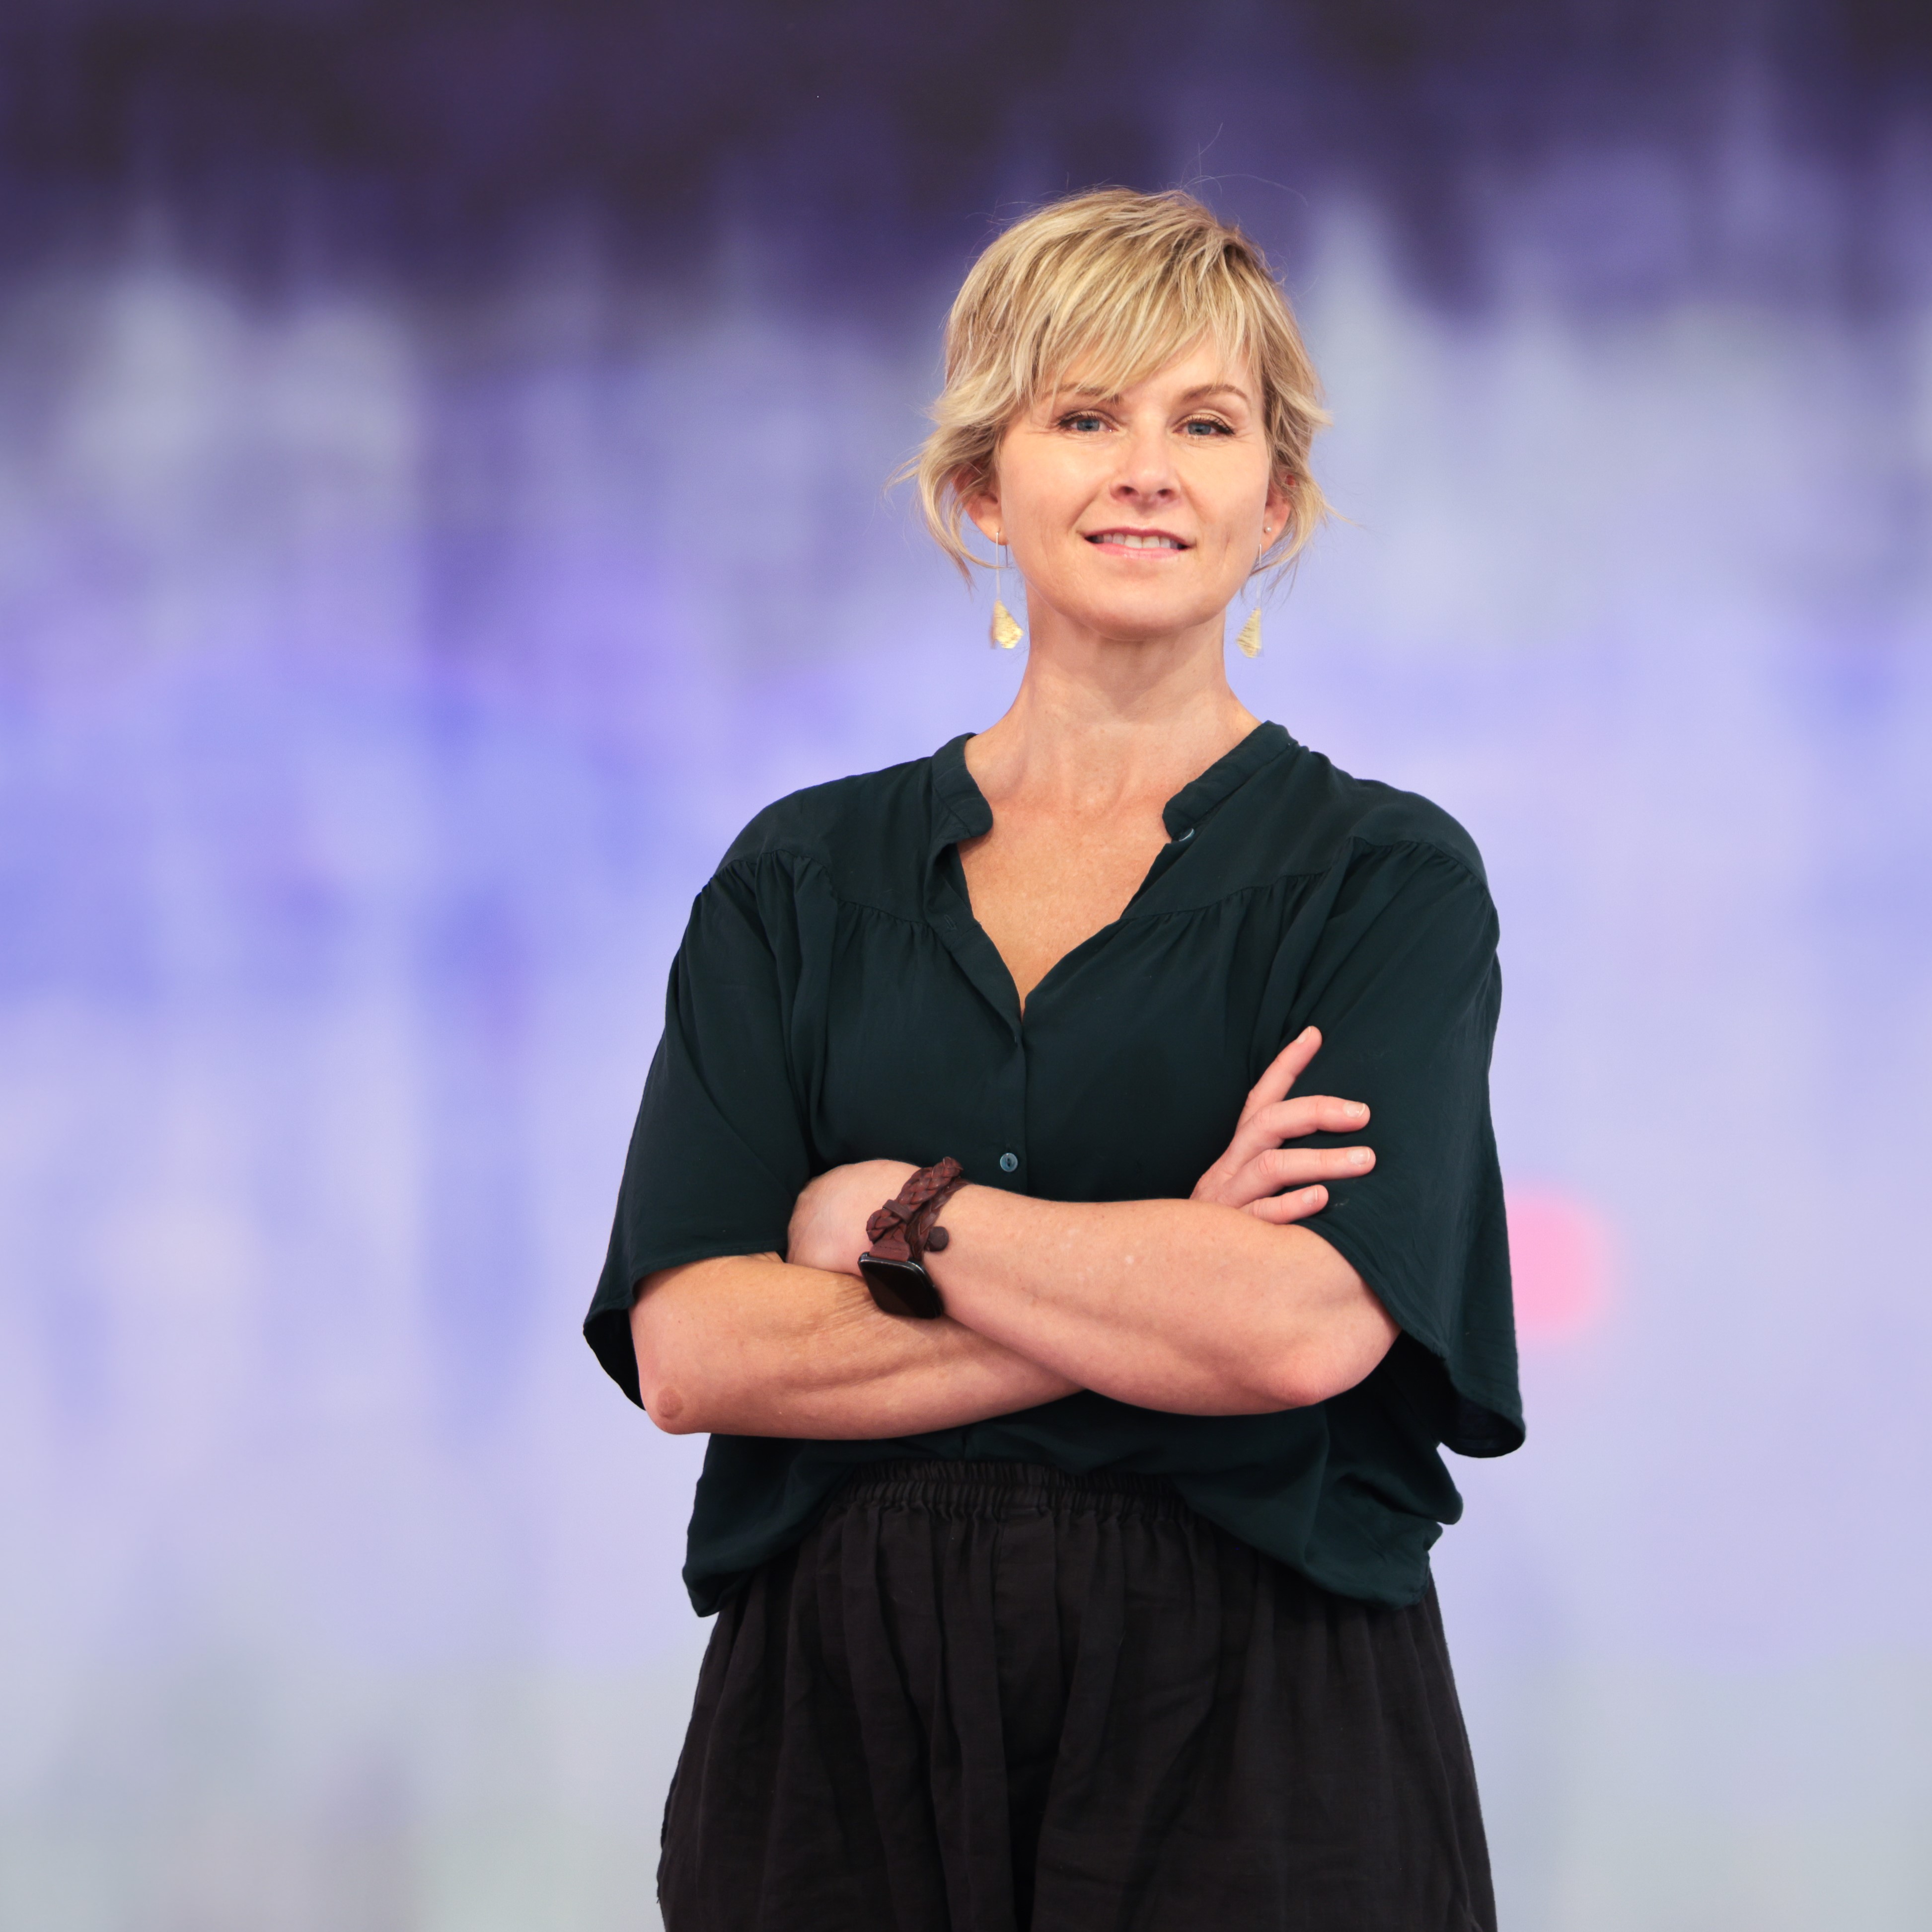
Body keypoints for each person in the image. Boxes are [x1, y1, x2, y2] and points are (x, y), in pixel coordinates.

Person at [585, 187, 1522, 1932]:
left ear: (1277, 502)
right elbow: (694, 1348)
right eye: (1082, 416)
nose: (1145, 468)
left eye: (1206, 422)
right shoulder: (798, 880)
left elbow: (1301, 1325)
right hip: (841, 1731)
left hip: (1260, 1720)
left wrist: (895, 1215)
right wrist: (1164, 1261)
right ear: (978, 489)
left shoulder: (1384, 881)